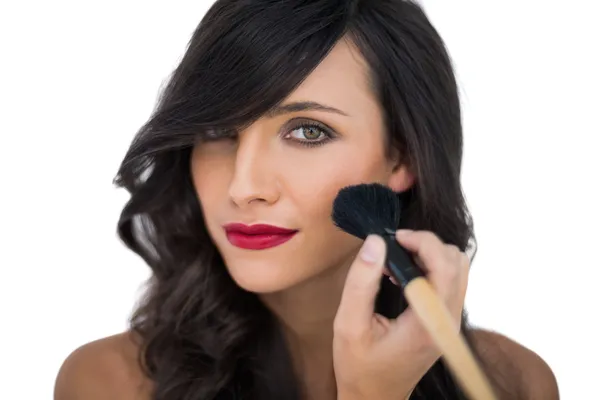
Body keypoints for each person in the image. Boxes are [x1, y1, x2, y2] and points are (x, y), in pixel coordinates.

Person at [54, 0, 559, 399]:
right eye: (216, 130)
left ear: (401, 158)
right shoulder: (108, 384)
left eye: (309, 131)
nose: (244, 186)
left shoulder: (515, 384)